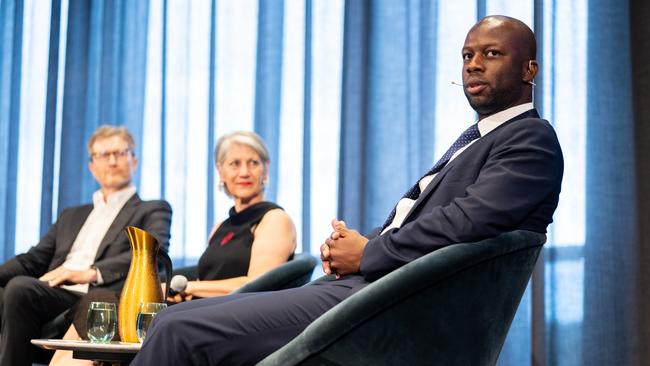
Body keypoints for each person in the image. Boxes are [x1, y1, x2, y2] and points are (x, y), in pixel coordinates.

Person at [130, 15, 564, 366]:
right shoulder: (479, 138)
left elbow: (467, 221)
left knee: (175, 329)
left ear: (530, 69)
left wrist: (368, 253)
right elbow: (425, 221)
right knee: (176, 316)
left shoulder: (530, 139)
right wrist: (353, 246)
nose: (472, 64)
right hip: (367, 290)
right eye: (467, 55)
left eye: (491, 54)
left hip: (393, 310)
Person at [49, 131, 296, 366]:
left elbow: (257, 285)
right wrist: (185, 290)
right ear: (220, 171)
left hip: (234, 318)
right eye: (235, 163)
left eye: (253, 163)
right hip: (203, 308)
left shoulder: (273, 219)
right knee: (97, 305)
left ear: (266, 169)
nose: (244, 171)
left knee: (101, 301)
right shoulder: (222, 226)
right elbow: (213, 277)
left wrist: (189, 286)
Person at [0, 125, 172, 366]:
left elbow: (155, 254)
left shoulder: (153, 209)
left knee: (19, 288)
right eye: (103, 155)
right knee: (9, 288)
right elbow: (33, 259)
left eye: (120, 153)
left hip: (103, 292)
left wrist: (89, 273)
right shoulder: (72, 215)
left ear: (134, 161)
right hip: (56, 293)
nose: (112, 162)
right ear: (92, 167)